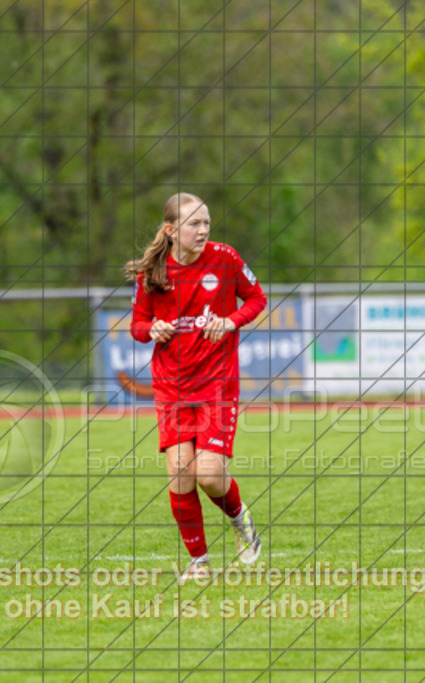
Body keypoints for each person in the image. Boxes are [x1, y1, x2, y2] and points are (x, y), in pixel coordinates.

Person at [125, 192, 267, 580]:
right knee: (181, 476)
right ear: (171, 231)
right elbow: (137, 325)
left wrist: (231, 321)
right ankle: (199, 563)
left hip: (218, 383)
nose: (203, 230)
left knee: (208, 474)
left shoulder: (225, 258)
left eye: (206, 223)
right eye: (195, 224)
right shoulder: (152, 273)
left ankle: (241, 522)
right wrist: (152, 328)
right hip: (171, 387)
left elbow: (257, 298)